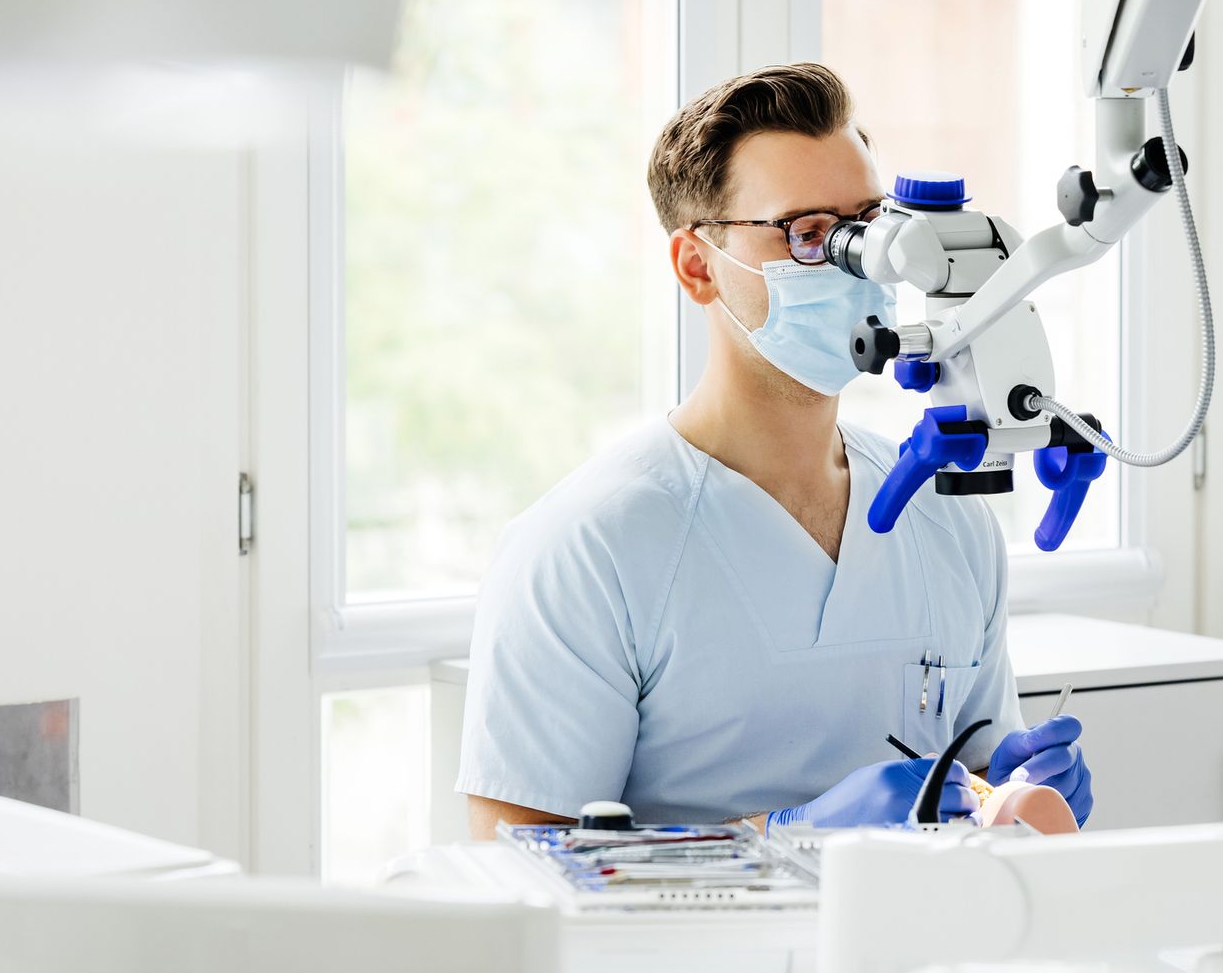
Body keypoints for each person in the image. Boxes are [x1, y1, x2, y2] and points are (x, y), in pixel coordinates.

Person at [458, 62, 1093, 835]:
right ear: (698, 267)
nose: (860, 264)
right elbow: (517, 866)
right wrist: (784, 835)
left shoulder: (946, 516)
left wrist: (1013, 782)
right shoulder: (587, 549)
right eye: (812, 232)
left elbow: (977, 773)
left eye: (870, 225)